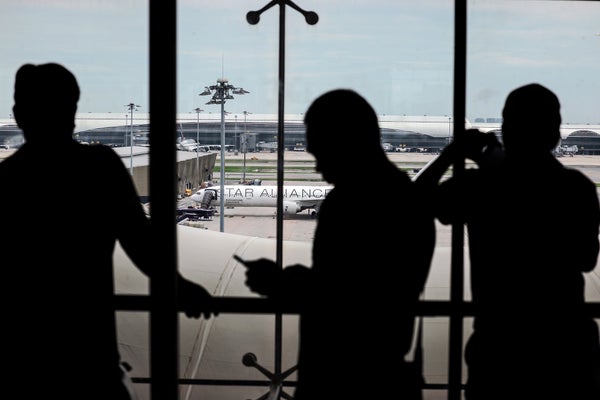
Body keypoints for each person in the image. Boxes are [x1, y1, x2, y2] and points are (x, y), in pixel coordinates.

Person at [0, 63, 217, 399]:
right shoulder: (99, 168)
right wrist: (181, 287)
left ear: (19, 113)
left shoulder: (8, 181)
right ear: (71, 110)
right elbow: (140, 243)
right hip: (89, 355)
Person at [243, 89, 435, 400]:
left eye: (319, 146)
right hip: (376, 371)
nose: (315, 160)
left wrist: (284, 283)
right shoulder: (400, 196)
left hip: (347, 375)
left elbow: (350, 299)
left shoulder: (356, 202)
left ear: (345, 139)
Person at [415, 83, 600, 400]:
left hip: (498, 347)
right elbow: (586, 259)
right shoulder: (576, 188)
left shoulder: (480, 187)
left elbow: (411, 204)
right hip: (566, 347)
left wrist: (453, 153)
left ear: (506, 131)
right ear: (555, 134)